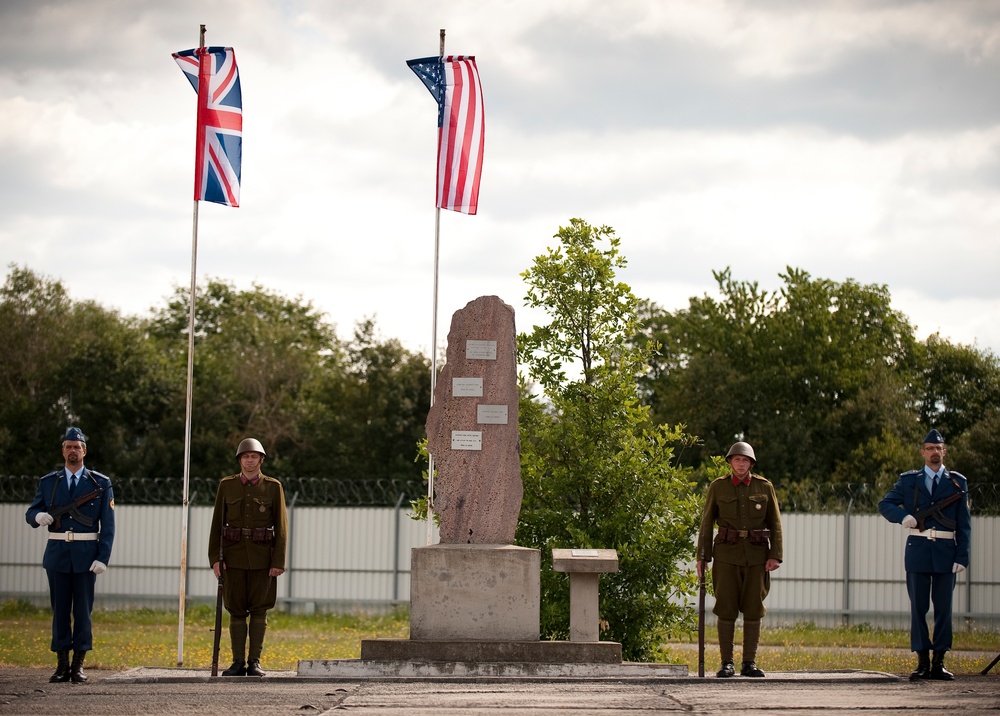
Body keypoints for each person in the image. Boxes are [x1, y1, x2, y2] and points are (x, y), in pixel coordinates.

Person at [24, 427, 116, 684]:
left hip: (87, 557)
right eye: (68, 446)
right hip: (58, 555)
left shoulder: (100, 483)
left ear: (84, 451)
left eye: (77, 446)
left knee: (83, 612)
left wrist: (102, 557)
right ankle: (62, 664)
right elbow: (31, 513)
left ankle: (78, 666)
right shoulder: (48, 482)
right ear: (63, 450)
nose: (72, 450)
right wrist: (37, 517)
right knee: (60, 611)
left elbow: (108, 526)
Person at [879, 429, 971, 681]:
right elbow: (884, 504)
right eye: (929, 448)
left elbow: (964, 524)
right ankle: (921, 661)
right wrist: (903, 517)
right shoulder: (910, 481)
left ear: (945, 451)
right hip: (918, 550)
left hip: (945, 552)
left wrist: (962, 557)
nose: (934, 452)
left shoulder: (957, 483)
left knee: (944, 609)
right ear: (922, 452)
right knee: (918, 608)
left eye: (938, 448)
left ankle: (939, 661)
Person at [696, 441, 783, 678]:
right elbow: (706, 523)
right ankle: (727, 663)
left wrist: (775, 555)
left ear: (751, 463)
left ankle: (749, 663)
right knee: (726, 609)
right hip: (725, 556)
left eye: (745, 460)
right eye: (736, 459)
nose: (741, 463)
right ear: (730, 462)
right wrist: (702, 557)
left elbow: (774, 523)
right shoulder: (718, 487)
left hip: (757, 556)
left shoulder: (764, 487)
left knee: (754, 609)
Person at [208, 437, 288, 677]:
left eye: (254, 456)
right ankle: (237, 662)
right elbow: (217, 524)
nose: (250, 460)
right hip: (233, 558)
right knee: (235, 610)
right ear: (239, 460)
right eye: (245, 456)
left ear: (261, 459)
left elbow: (281, 527)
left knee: (260, 609)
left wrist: (278, 562)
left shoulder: (273, 487)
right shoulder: (227, 485)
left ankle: (255, 662)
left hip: (263, 559)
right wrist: (215, 558)